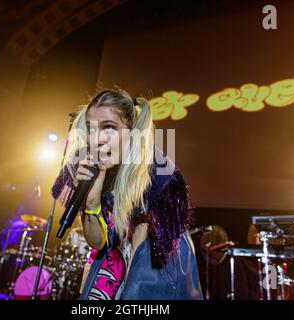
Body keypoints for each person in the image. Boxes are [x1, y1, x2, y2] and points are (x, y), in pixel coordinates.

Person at [52, 88, 202, 300]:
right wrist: (91, 202)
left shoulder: (158, 172)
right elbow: (97, 243)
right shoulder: (100, 170)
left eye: (109, 128)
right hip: (119, 262)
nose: (97, 140)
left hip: (157, 265)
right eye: (91, 129)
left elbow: (148, 247)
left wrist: (126, 292)